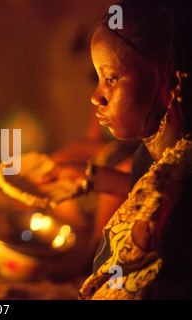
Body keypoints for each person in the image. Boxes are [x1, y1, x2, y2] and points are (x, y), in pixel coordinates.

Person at [41, 0, 192, 299]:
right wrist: (88, 178)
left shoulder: (180, 182)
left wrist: (148, 232)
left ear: (171, 80)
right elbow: (140, 189)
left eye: (110, 79)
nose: (96, 97)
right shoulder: (153, 157)